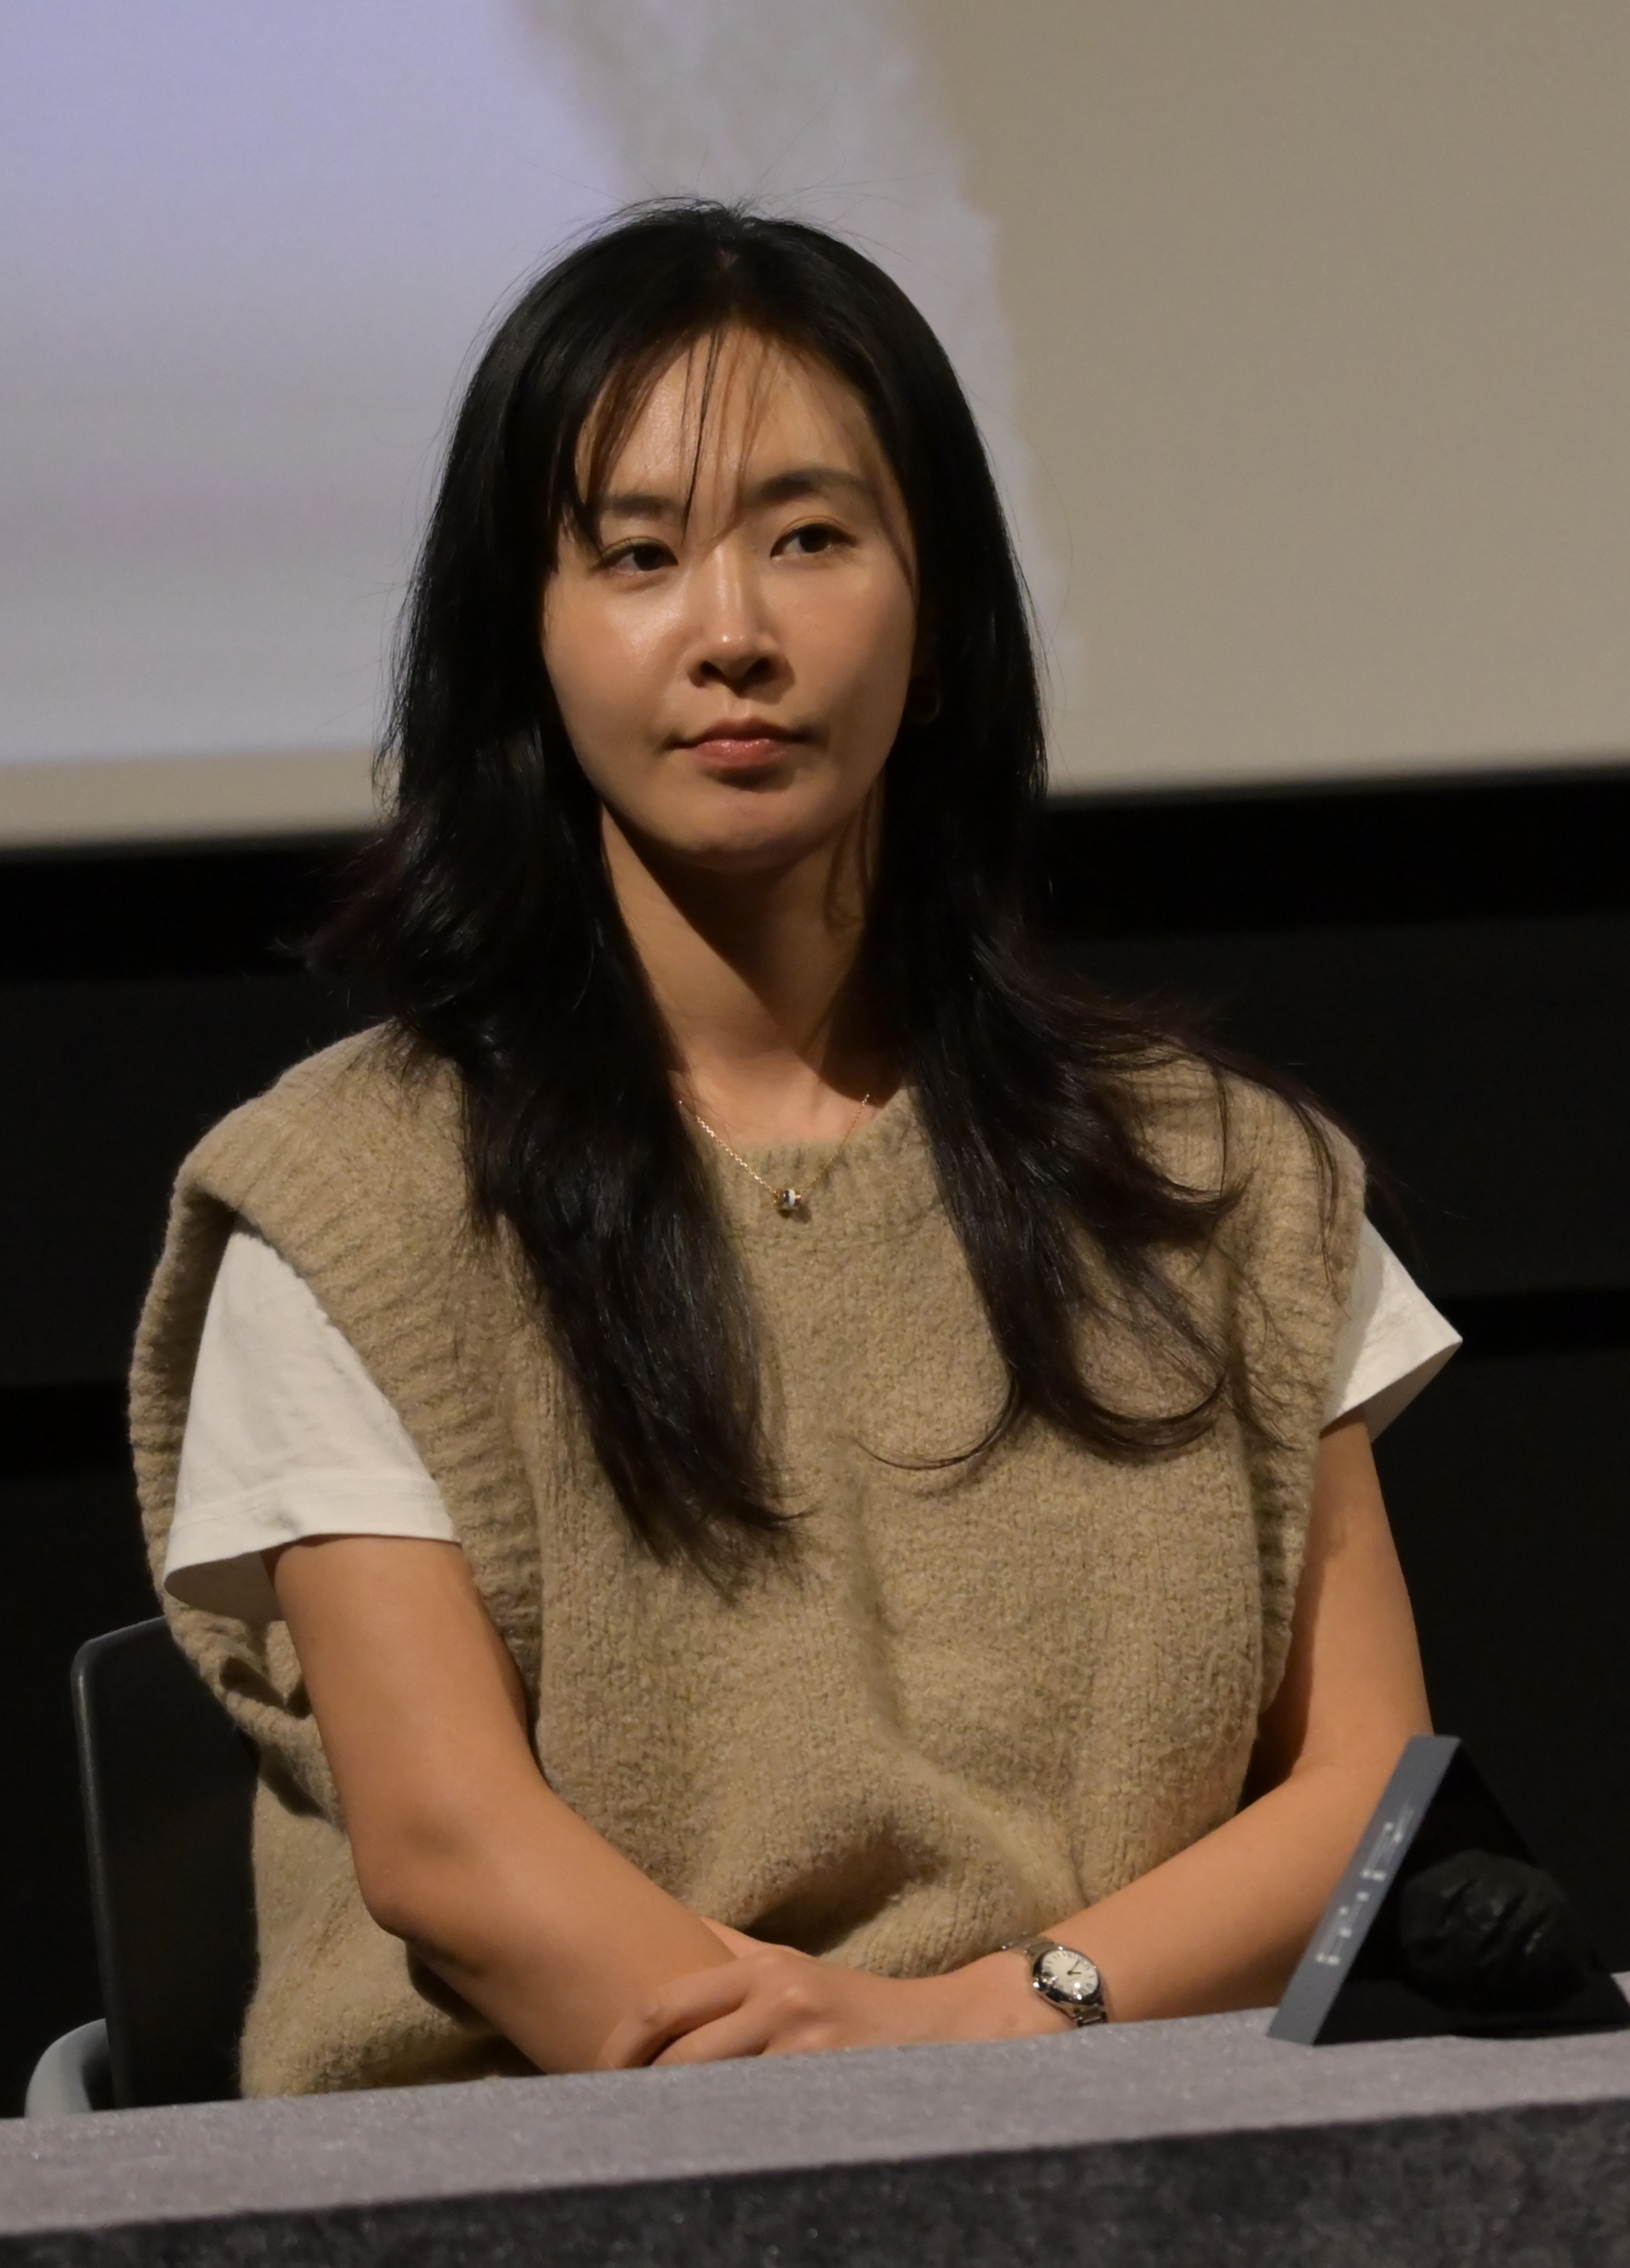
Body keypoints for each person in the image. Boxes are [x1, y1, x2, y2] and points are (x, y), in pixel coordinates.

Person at [134, 201, 1458, 2097]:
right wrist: (863, 2099)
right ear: (527, 640)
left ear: (938, 621)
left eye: (810, 538)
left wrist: (989, 2025)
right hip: (559, 2158)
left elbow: (1367, 1789)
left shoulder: (1219, 1176)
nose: (732, 634)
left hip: (1131, 2126)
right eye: (638, 555)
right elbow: (447, 1852)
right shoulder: (352, 1196)